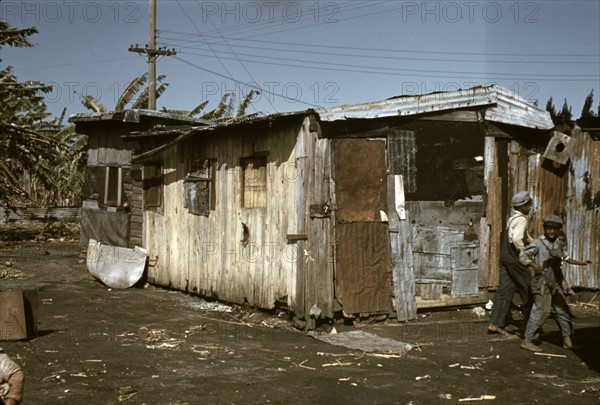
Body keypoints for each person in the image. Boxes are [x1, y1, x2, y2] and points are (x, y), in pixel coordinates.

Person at [519, 215, 592, 352]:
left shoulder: (558, 243)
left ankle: (567, 341)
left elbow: (565, 257)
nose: (551, 231)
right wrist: (535, 266)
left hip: (556, 282)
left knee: (562, 311)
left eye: (554, 229)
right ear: (544, 229)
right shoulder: (538, 243)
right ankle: (527, 340)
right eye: (549, 228)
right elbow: (523, 256)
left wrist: (582, 263)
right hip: (542, 282)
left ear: (558, 230)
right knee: (541, 311)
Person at [488, 191, 534, 335]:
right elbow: (517, 239)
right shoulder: (522, 219)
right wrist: (524, 252)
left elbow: (524, 236)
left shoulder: (513, 218)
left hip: (505, 256)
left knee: (504, 290)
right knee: (528, 289)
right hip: (515, 258)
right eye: (529, 204)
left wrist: (536, 243)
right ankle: (528, 327)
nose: (530, 206)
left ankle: (495, 323)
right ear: (523, 206)